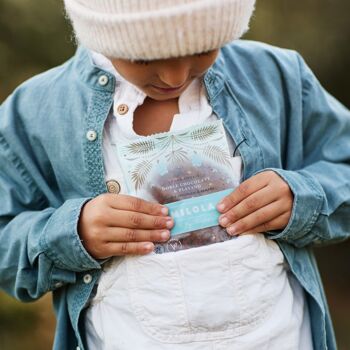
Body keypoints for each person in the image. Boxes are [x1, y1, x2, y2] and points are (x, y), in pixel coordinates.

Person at [0, 0, 349, 349]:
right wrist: (73, 233)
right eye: (145, 57)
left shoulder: (275, 76)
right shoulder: (36, 111)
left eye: (201, 49)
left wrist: (300, 197)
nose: (175, 77)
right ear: (102, 31)